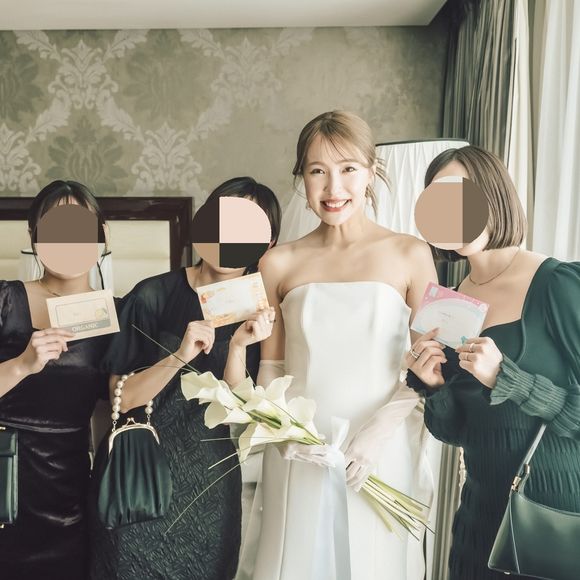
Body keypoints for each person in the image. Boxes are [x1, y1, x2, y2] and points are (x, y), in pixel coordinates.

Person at [230, 111, 438, 580]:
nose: (333, 187)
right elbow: (272, 368)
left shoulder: (411, 254)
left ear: (371, 172)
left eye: (348, 169)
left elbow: (429, 363)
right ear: (302, 178)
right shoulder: (277, 263)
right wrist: (283, 434)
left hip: (381, 448)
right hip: (301, 449)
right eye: (317, 171)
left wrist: (379, 432)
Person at [90, 177, 281, 580]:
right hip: (139, 477)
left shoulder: (262, 315)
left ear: (267, 245)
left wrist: (238, 346)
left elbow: (241, 416)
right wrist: (179, 356)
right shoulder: (152, 295)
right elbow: (122, 400)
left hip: (210, 489)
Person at [405, 145, 580, 580]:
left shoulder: (557, 284)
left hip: (555, 516)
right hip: (480, 519)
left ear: (494, 195)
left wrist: (508, 378)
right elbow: (455, 432)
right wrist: (434, 386)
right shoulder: (449, 302)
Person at [0, 180, 113, 580]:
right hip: (5, 472)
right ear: (34, 236)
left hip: (70, 488)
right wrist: (22, 364)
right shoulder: (6, 300)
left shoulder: (115, 314)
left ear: (102, 235)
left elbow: (115, 408)